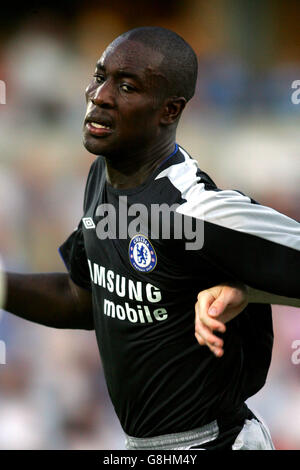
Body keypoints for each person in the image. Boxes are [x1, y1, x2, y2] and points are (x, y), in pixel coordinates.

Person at [1, 26, 299, 451]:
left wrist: (247, 290)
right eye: (98, 75)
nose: (98, 95)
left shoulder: (195, 211)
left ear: (169, 110)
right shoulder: (104, 176)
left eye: (125, 86)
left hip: (214, 442)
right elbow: (84, 298)